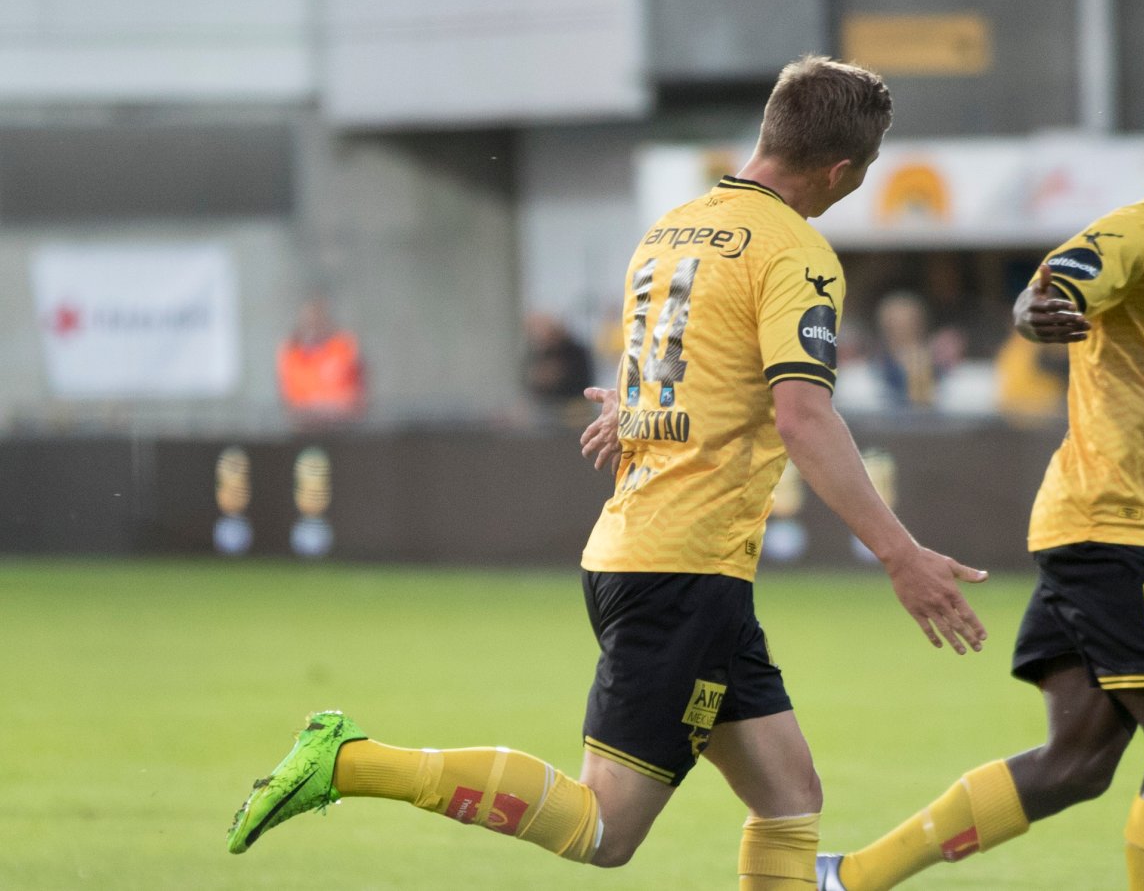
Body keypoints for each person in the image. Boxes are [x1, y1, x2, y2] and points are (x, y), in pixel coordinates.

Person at [226, 55, 989, 890]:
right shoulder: (797, 253)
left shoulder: (672, 230)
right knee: (604, 828)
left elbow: (672, 372)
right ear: (841, 170)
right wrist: (900, 554)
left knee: (788, 796)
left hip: (662, 552)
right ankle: (351, 761)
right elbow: (802, 415)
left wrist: (629, 411)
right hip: (682, 568)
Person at [818, 67, 1144, 891]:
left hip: (1109, 526)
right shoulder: (1138, 236)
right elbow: (1055, 286)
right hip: (1110, 526)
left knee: (1077, 763)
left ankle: (849, 877)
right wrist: (1032, 314)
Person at [276, 297, 366, 425]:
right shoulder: (292, 351)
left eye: (318, 320)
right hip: (304, 426)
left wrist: (327, 406)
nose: (314, 326)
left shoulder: (343, 346)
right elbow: (290, 397)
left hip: (342, 425)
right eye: (309, 321)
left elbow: (356, 392)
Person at [519, 310, 595, 420]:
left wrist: (558, 375)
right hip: (545, 410)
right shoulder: (537, 353)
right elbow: (529, 382)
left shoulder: (575, 352)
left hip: (573, 411)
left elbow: (582, 381)